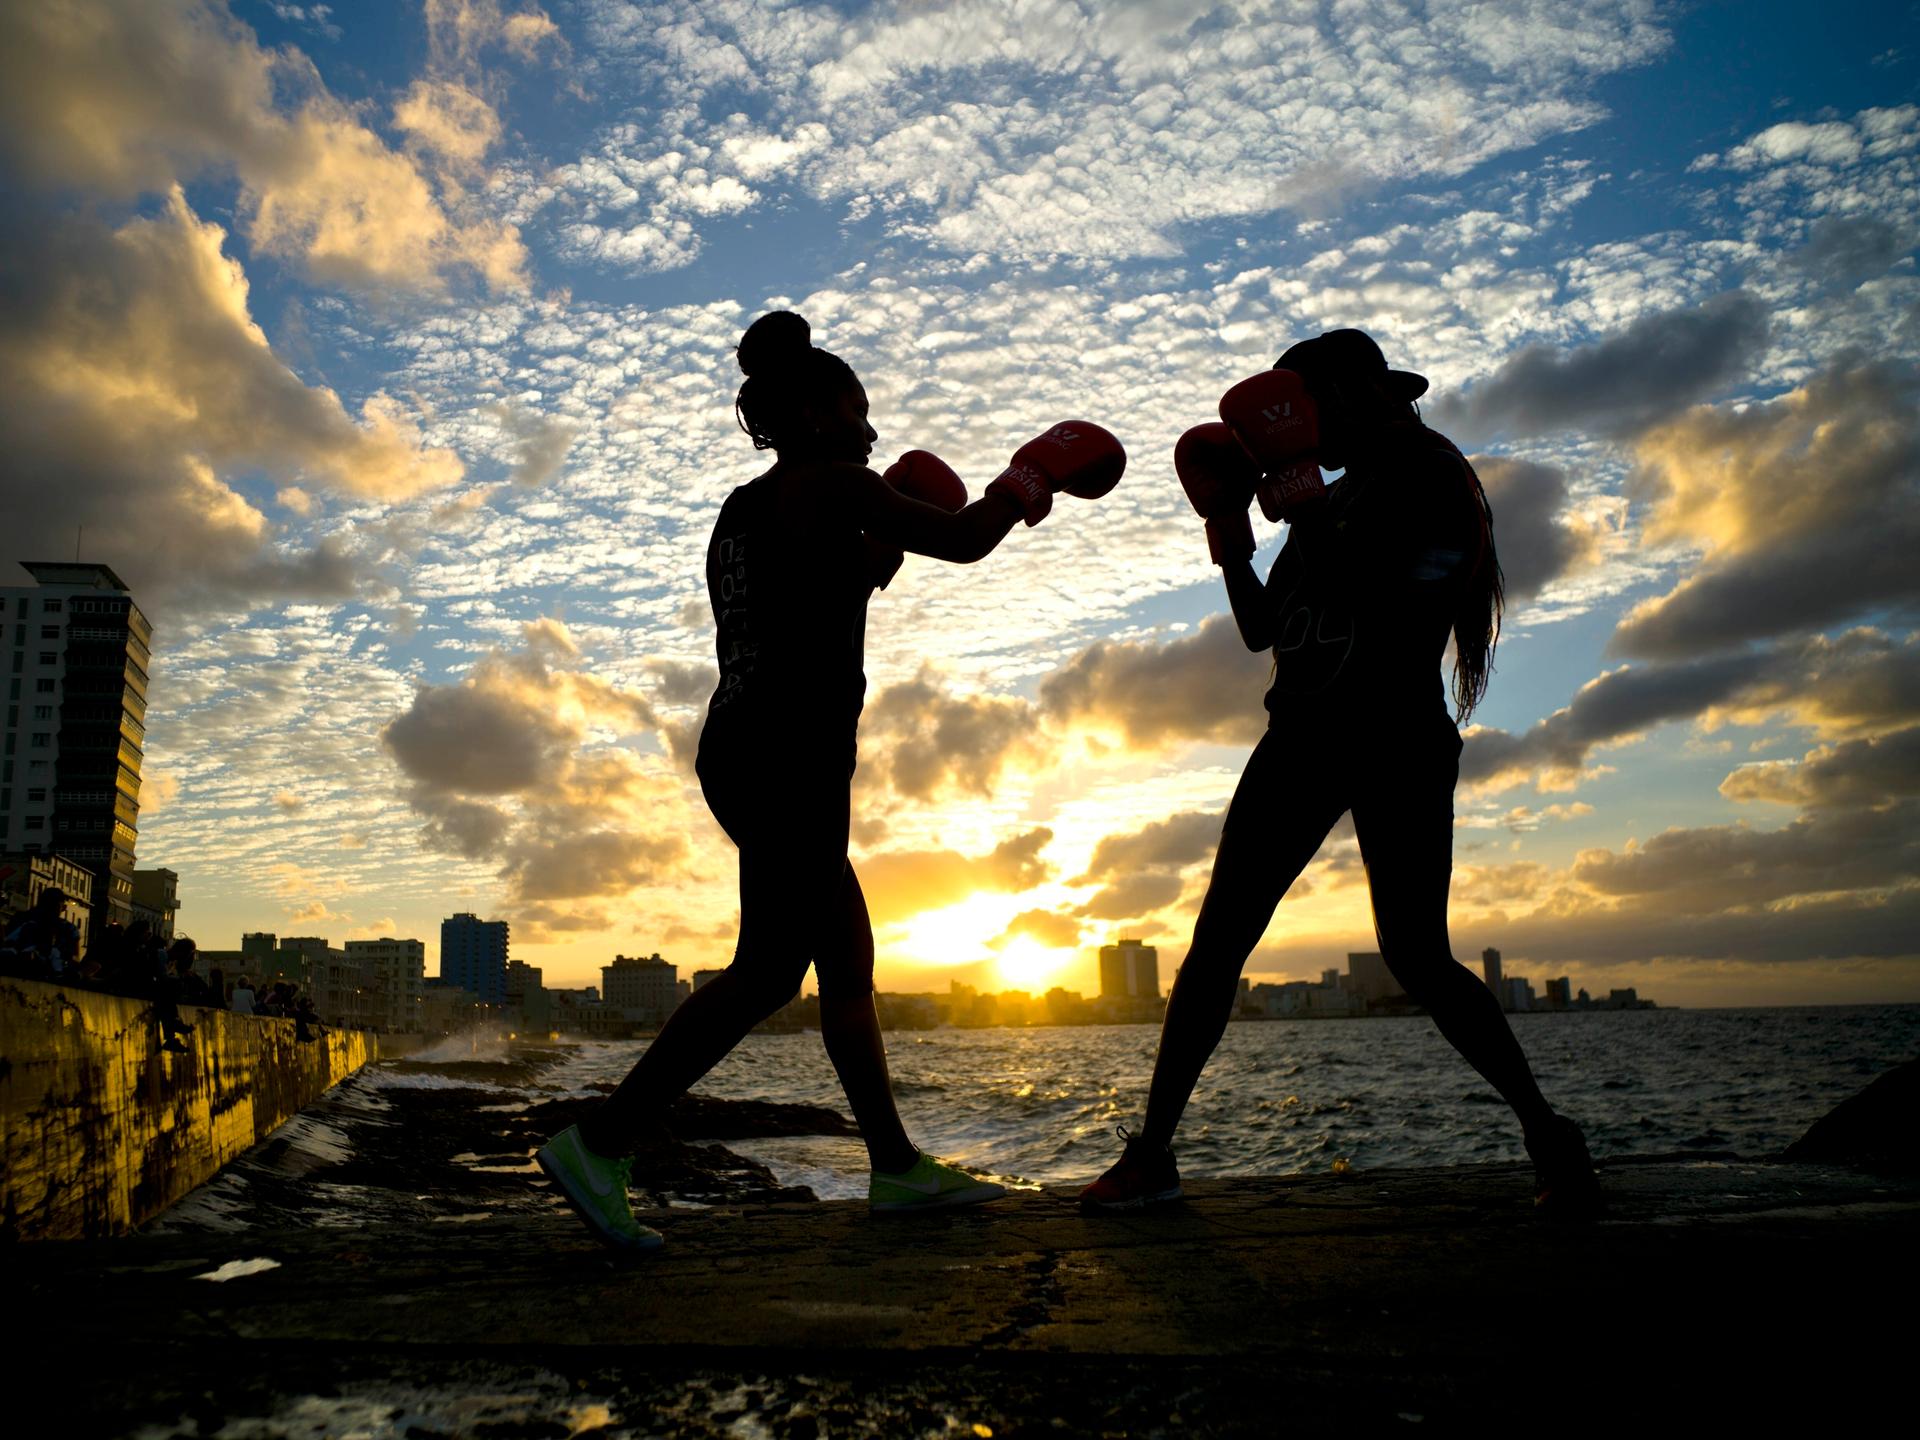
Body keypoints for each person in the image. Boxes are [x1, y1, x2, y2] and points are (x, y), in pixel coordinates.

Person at [537, 310, 1126, 1249]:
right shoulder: (830, 482)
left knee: (846, 964)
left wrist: (884, 534)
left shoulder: (747, 511)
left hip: (748, 744)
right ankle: (600, 1143)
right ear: (814, 413)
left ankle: (894, 1170)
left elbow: (836, 585)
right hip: (787, 752)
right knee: (771, 968)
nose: (873, 433)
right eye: (860, 412)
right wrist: (1029, 476)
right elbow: (969, 540)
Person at [1081, 329, 1600, 1214]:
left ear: (1359, 393)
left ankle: (1549, 1136)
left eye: (1310, 410)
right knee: (1216, 945)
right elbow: (1261, 630)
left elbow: (1407, 596)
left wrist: (1307, 506)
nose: (1307, 434)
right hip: (1304, 734)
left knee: (1417, 954)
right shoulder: (1338, 488)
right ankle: (1155, 1154)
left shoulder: (1435, 477)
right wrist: (1230, 535)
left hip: (1396, 731)